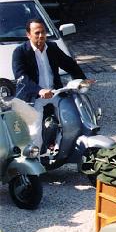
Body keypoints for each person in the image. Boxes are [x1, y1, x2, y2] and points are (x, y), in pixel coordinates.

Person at [12, 18, 87, 149]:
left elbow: (69, 64)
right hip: (33, 97)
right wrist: (39, 91)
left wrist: (82, 80)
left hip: (55, 92)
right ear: (28, 34)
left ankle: (59, 148)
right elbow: (21, 77)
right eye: (37, 33)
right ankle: (35, 162)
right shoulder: (20, 52)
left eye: (43, 32)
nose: (41, 36)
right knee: (34, 133)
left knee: (73, 120)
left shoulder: (52, 47)